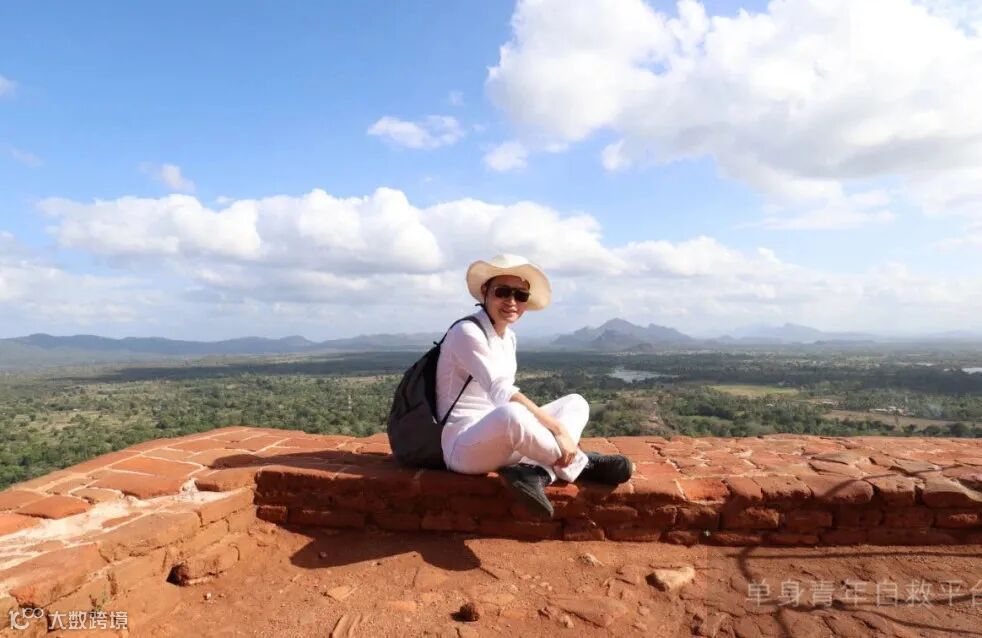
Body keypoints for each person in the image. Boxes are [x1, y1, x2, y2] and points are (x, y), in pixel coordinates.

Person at [436, 254, 633, 518]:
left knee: (576, 402)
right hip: (465, 448)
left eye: (520, 295)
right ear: (485, 292)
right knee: (512, 414)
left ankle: (536, 471)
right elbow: (501, 392)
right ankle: (582, 464)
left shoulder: (508, 337)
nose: (511, 301)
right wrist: (557, 429)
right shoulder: (466, 332)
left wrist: (554, 429)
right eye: (502, 292)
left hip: (505, 443)